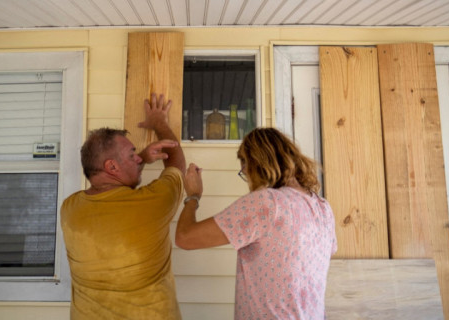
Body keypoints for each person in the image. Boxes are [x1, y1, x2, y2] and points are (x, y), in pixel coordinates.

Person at [175, 127, 337, 319]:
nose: (245, 174)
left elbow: (185, 238)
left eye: (244, 165)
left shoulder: (267, 203)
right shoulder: (322, 208)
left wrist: (192, 196)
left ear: (255, 162)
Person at [60, 94, 186, 320]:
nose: (138, 158)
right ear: (111, 166)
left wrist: (139, 159)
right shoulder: (152, 204)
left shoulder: (70, 209)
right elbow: (176, 162)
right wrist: (159, 123)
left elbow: (114, 186)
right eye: (132, 155)